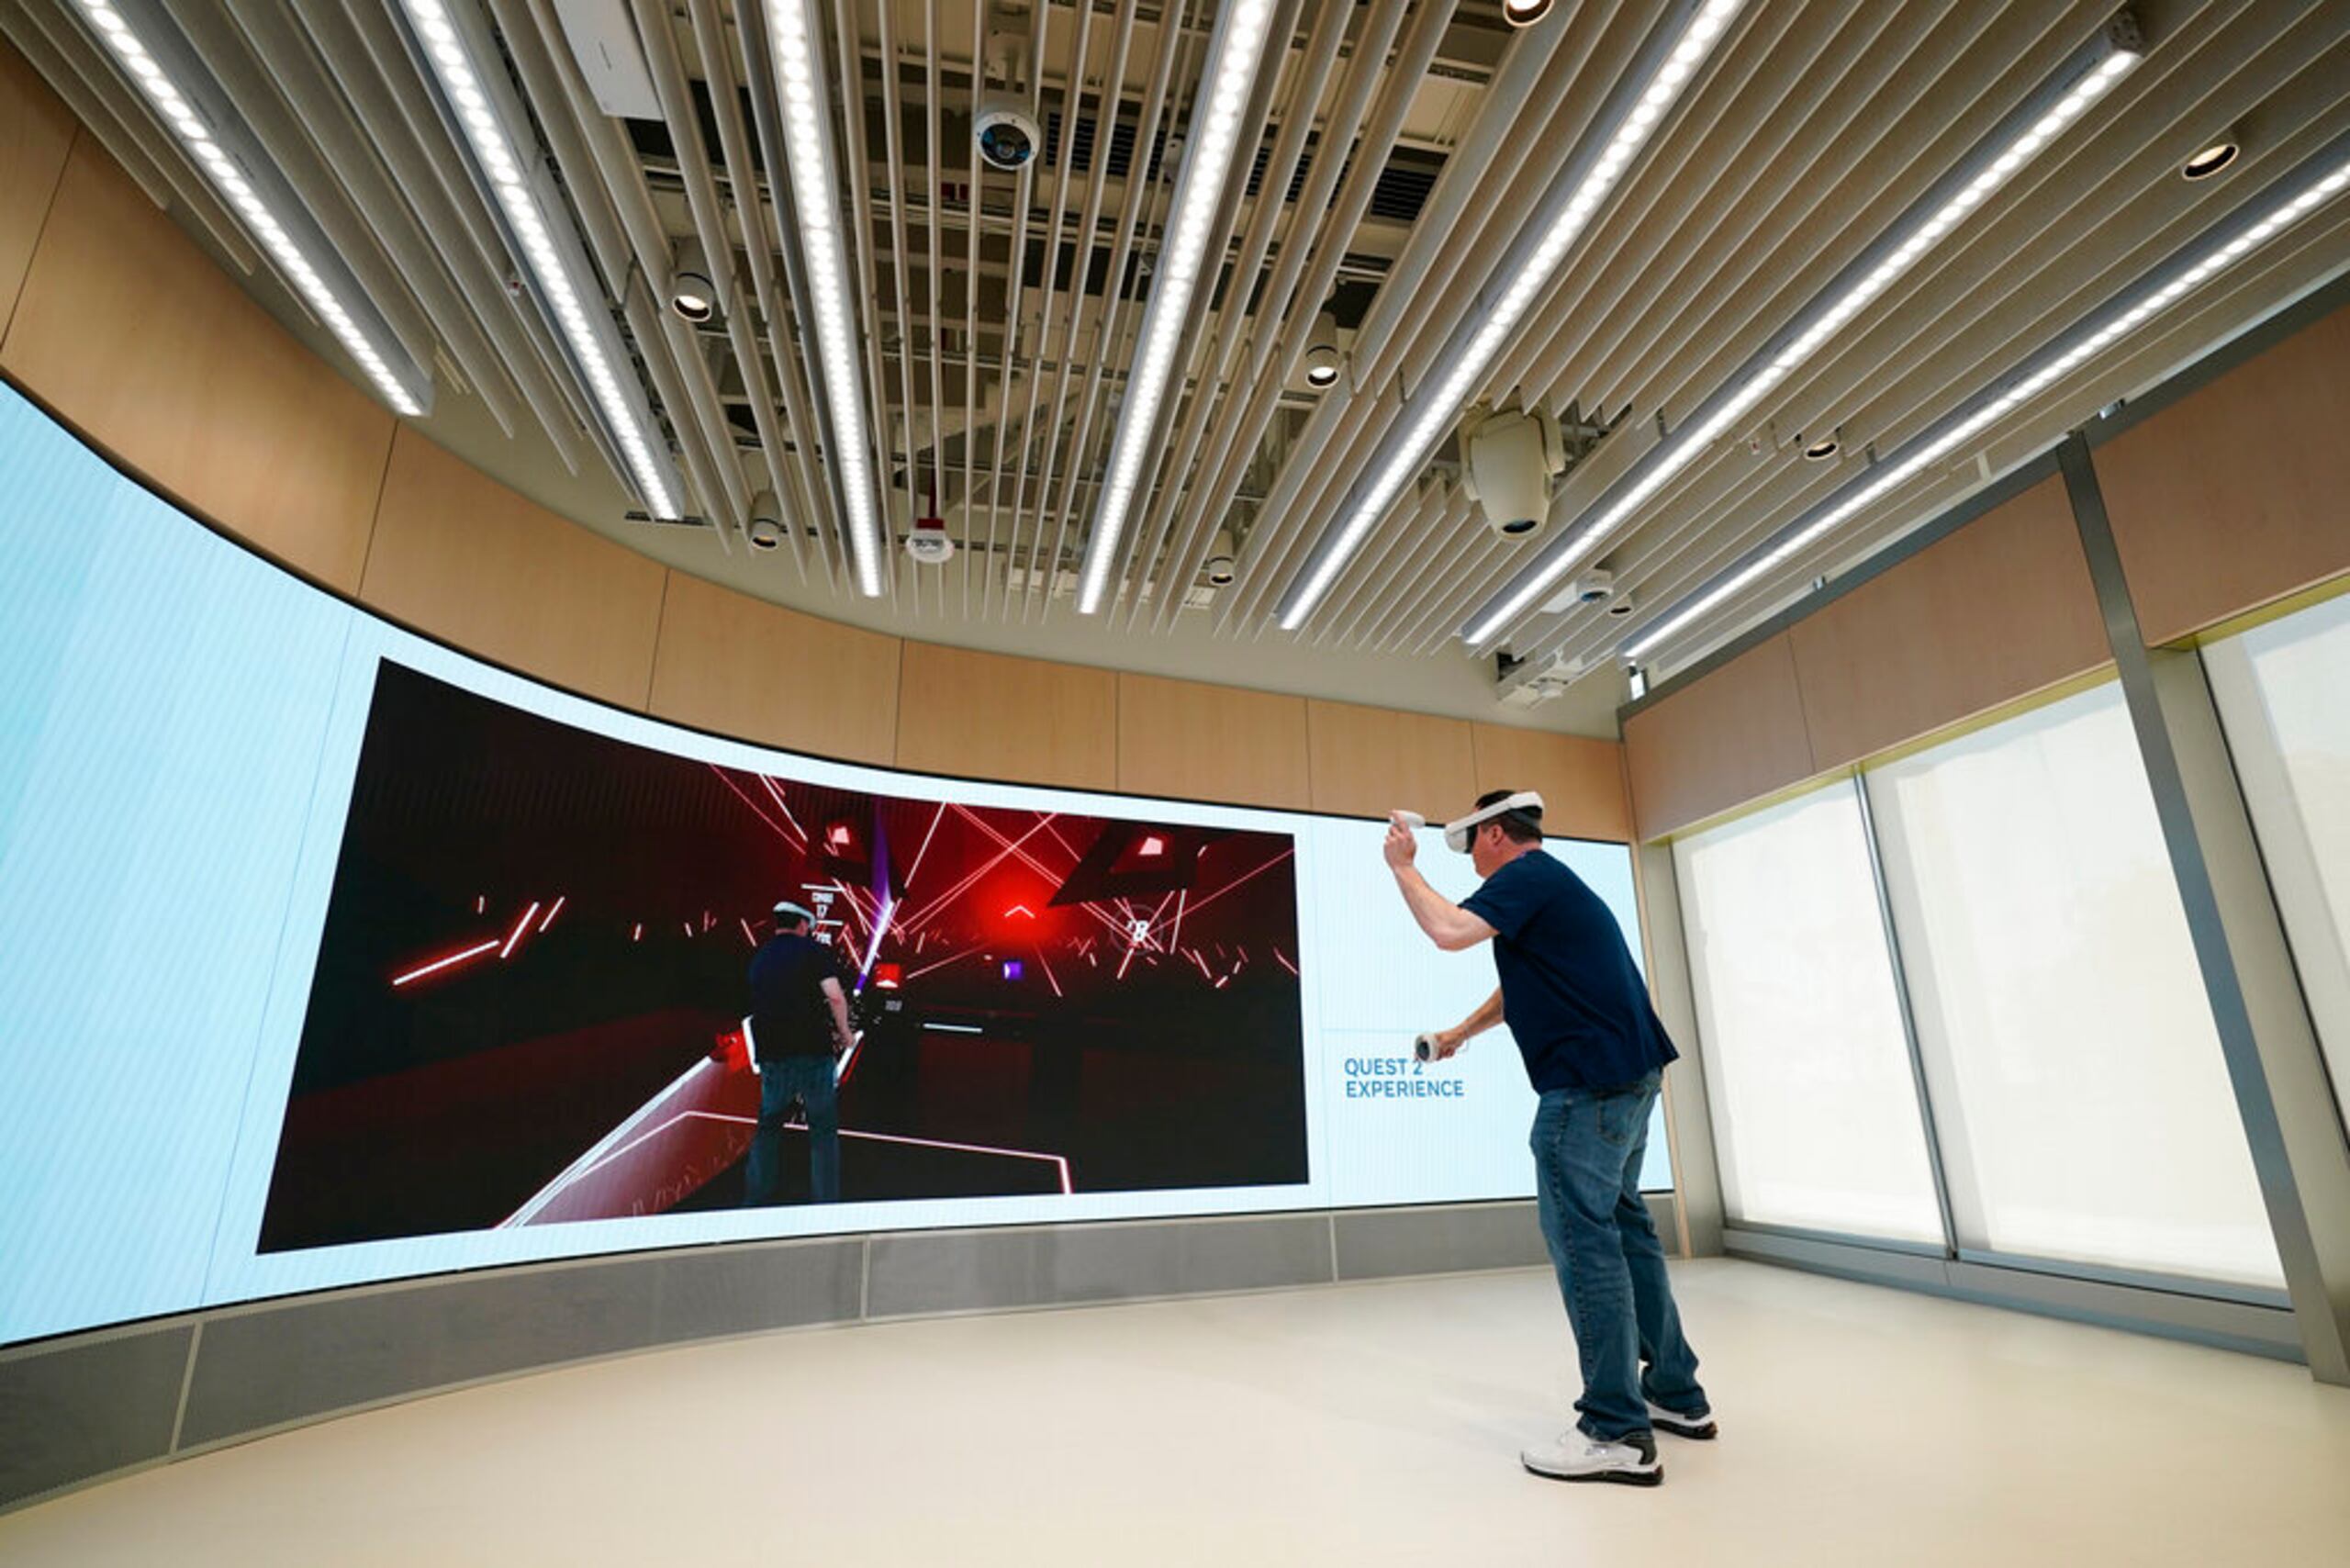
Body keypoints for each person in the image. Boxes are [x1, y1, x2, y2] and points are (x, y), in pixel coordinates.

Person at [1384, 790, 1711, 1487]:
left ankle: (1615, 1428)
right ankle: (1675, 1394)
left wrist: (1403, 867)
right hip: (1627, 1078)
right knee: (1627, 1233)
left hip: (1585, 1090)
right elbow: (1522, 989)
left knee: (1586, 1244)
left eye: (1472, 845)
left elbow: (1447, 932)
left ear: (1496, 835)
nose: (1471, 860)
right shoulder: (1550, 887)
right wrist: (1457, 1036)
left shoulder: (1524, 878)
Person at [743, 900, 855, 1205]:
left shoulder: (761, 957)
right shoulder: (814, 952)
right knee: (822, 1130)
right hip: (812, 1051)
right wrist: (845, 1034)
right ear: (803, 924)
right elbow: (834, 996)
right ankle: (824, 1203)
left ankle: (755, 1199)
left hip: (773, 1053)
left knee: (768, 1128)